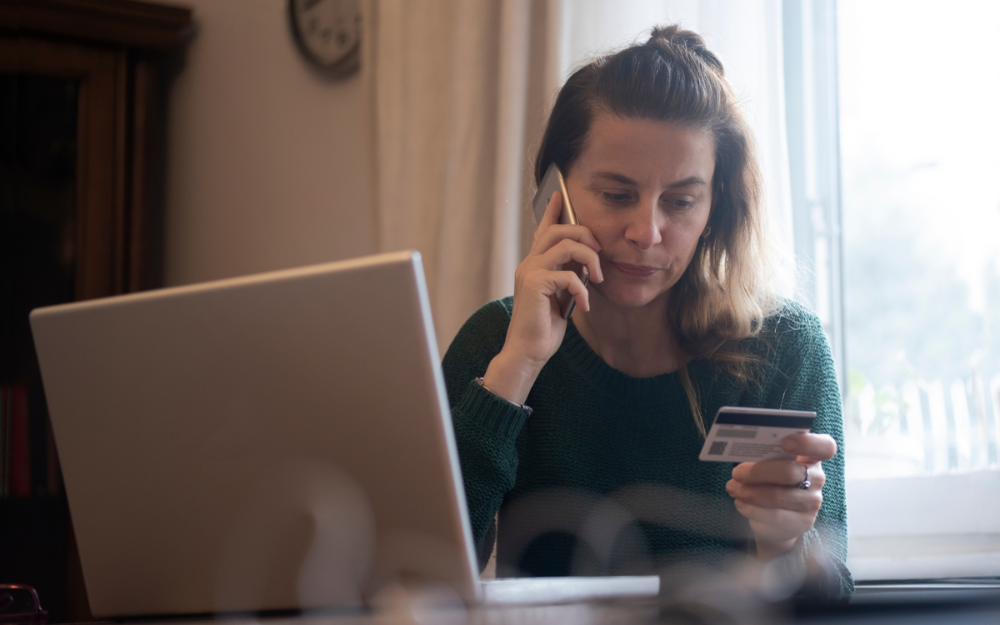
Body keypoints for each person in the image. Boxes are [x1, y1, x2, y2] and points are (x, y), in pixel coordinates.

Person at [441, 25, 852, 598]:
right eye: (615, 194)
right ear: (553, 192)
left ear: (717, 207)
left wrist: (785, 547)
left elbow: (832, 602)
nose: (646, 232)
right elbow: (425, 571)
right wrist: (517, 367)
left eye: (681, 202)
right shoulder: (496, 341)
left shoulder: (784, 349)